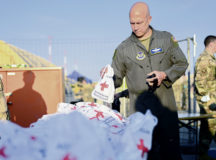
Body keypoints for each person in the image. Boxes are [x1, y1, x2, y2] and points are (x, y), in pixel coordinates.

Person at [109, 2, 188, 160]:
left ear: (149, 19)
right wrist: (106, 76)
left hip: (166, 109)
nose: (135, 27)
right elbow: (115, 80)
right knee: (144, 155)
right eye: (132, 23)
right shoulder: (123, 49)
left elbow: (182, 63)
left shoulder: (166, 39)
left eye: (140, 23)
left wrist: (164, 75)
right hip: (140, 113)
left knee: (170, 153)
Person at [194, 35, 216, 160]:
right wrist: (209, 101)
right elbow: (200, 81)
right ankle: (203, 155)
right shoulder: (205, 59)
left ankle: (203, 155)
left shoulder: (210, 59)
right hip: (209, 103)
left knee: (206, 130)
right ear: (212, 44)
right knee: (212, 128)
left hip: (210, 100)